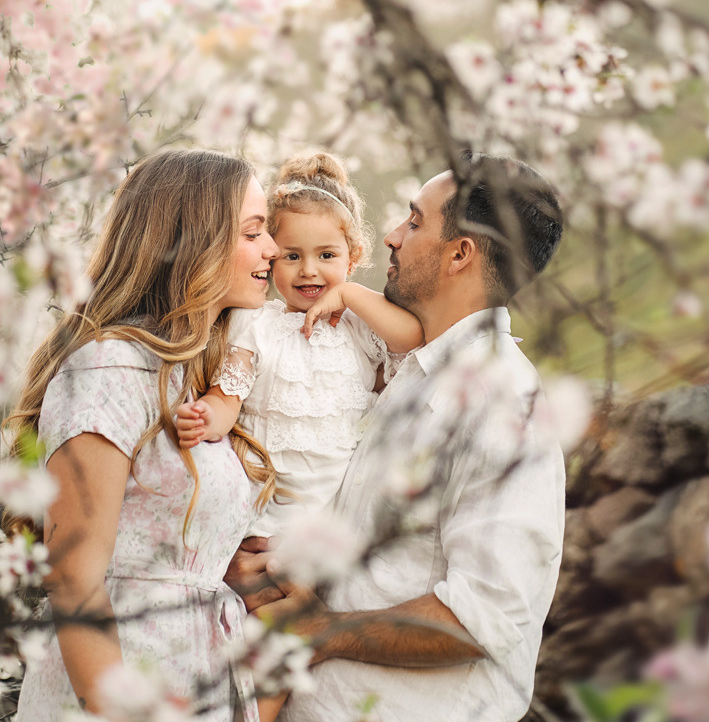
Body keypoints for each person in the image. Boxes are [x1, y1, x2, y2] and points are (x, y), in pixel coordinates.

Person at [227, 151, 567, 722]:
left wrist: (325, 632)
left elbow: (487, 616)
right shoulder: (409, 371)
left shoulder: (500, 402)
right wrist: (262, 567)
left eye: (414, 221)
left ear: (461, 253)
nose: (390, 237)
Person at [5, 149, 279, 721]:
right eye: (253, 234)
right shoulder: (108, 369)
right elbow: (74, 577)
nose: (273, 251)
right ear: (193, 242)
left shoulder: (196, 379)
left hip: (199, 680)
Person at [176, 152, 424, 540]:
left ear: (353, 257)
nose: (308, 269)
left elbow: (413, 336)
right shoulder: (256, 323)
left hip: (336, 517)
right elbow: (228, 396)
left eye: (326, 255)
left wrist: (350, 294)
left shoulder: (359, 323)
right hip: (264, 511)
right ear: (273, 257)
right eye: (292, 256)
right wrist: (206, 417)